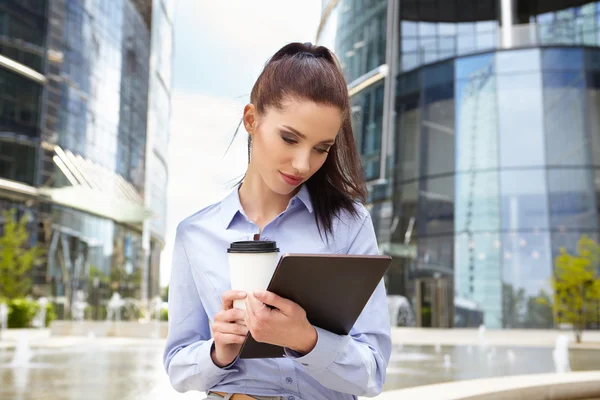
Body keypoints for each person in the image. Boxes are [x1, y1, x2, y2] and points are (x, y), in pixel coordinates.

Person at [163, 42, 392, 400]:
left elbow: (372, 375)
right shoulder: (195, 235)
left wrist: (305, 339)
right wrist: (218, 351)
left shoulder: (350, 224)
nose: (303, 164)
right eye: (289, 138)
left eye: (321, 148)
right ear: (251, 120)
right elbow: (178, 367)